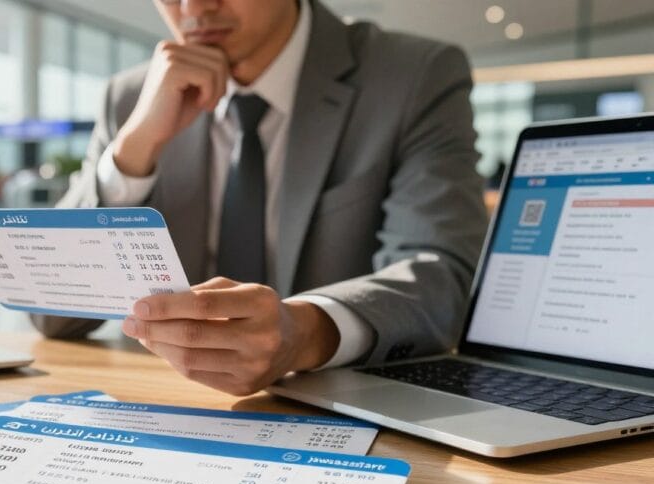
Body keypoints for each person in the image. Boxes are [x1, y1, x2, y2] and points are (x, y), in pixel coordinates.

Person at [31, 0, 489, 397]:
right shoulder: (131, 98)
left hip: (344, 411)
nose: (193, 9)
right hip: (174, 407)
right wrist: (132, 153)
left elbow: (441, 276)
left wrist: (306, 332)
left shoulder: (413, 76)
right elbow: (49, 313)